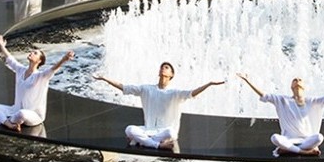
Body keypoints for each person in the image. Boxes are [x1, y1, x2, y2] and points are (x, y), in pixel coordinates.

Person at [93, 63, 225, 150]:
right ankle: (157, 145)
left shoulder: (175, 92)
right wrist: (105, 78)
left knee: (171, 132)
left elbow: (192, 93)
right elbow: (124, 87)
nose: (163, 68)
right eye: (162, 67)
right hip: (149, 130)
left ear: (171, 74)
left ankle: (142, 141)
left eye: (167, 67)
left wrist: (210, 84)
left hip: (164, 132)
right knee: (129, 129)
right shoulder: (146, 89)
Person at [237, 71, 324, 156]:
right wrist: (248, 81)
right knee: (275, 138)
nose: (297, 81)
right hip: (289, 140)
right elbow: (264, 95)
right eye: (295, 80)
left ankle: (288, 150)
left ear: (304, 86)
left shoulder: (313, 101)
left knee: (319, 137)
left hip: (307, 141)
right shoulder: (282, 100)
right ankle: (304, 152)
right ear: (291, 86)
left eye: (300, 80)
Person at [0, 35, 74, 131]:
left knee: (21, 114)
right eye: (32, 52)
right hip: (15, 110)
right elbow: (10, 59)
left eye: (35, 53)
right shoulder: (20, 70)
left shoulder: (41, 76)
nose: (31, 53)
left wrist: (64, 59)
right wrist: (2, 46)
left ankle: (8, 120)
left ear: (39, 61)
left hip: (34, 115)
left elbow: (53, 69)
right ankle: (9, 124)